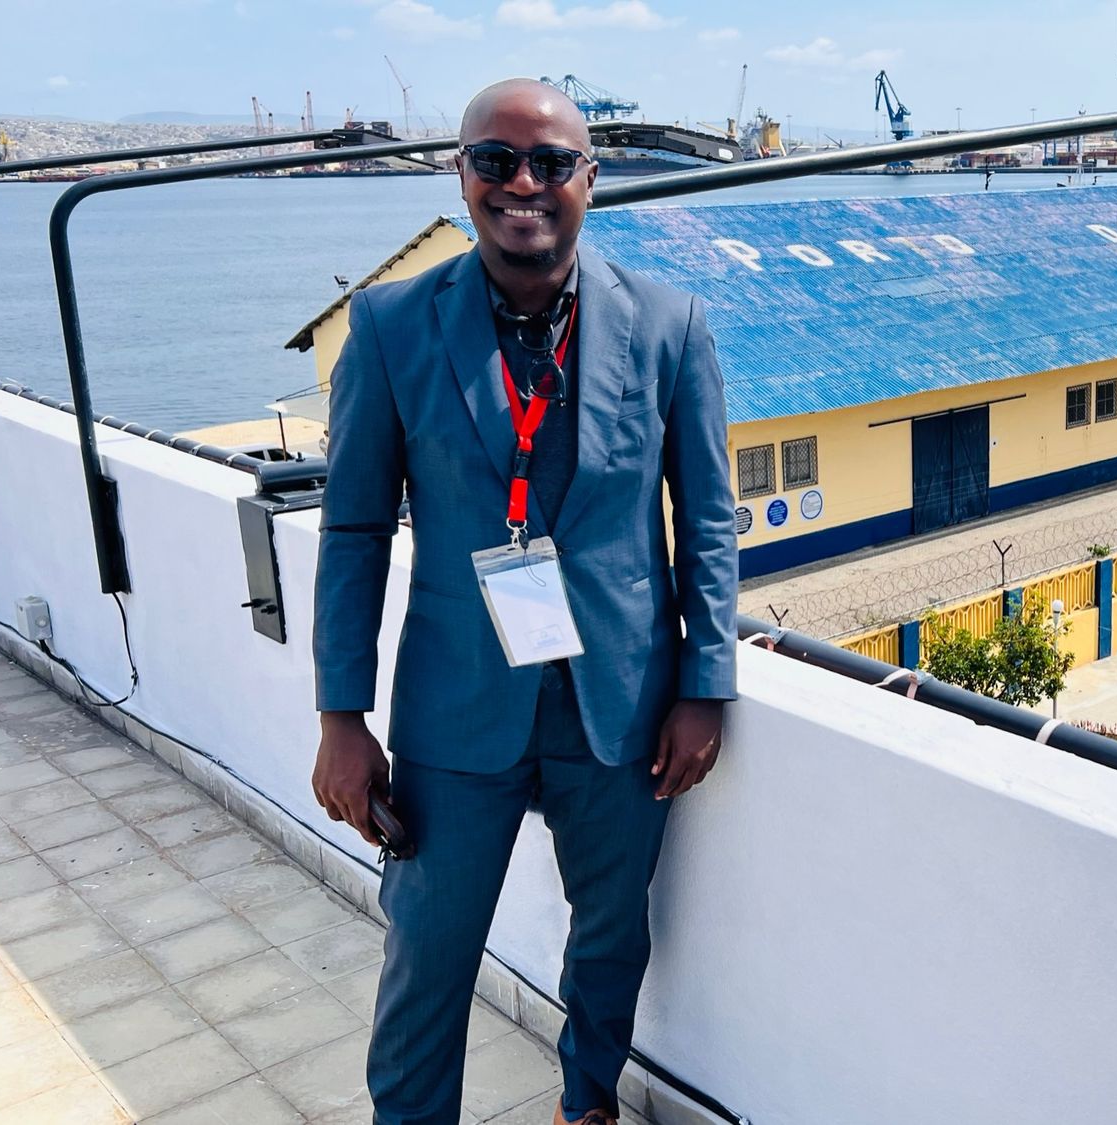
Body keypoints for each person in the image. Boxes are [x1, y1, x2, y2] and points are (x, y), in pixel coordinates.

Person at [310, 78, 737, 1125]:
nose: (523, 184)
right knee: (427, 956)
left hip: (622, 705)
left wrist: (704, 684)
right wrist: (339, 718)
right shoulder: (391, 323)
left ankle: (585, 1104)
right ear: (461, 175)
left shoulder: (668, 324)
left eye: (551, 162)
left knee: (611, 937)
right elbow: (354, 529)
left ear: (590, 179)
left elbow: (709, 519)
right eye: (495, 160)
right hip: (456, 710)